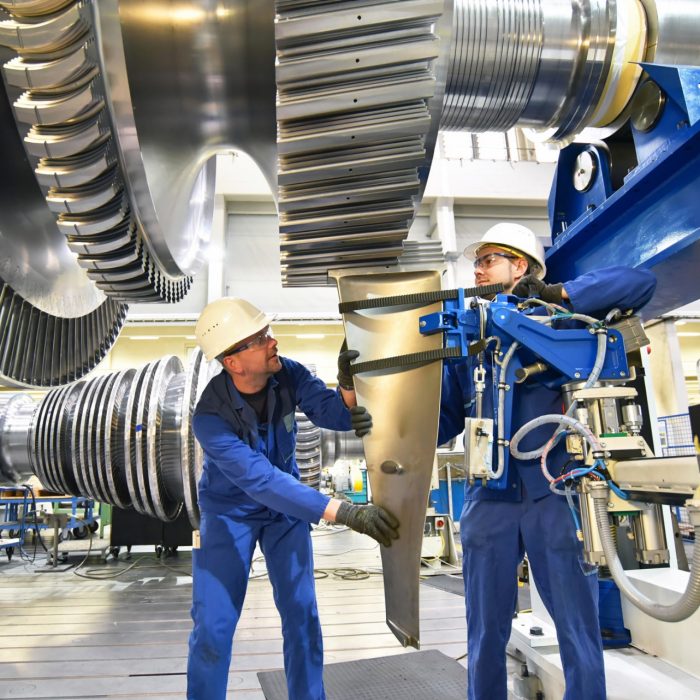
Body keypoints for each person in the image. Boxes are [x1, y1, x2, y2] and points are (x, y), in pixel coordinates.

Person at [438, 223, 657, 700]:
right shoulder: (469, 342)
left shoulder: (559, 324)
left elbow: (641, 282)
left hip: (551, 492)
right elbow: (441, 424)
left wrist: (558, 294)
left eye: (490, 259)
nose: (478, 270)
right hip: (487, 498)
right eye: (476, 262)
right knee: (484, 634)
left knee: (579, 629)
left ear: (521, 266)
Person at [187, 297, 399, 700]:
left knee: (302, 614)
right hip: (230, 515)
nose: (273, 341)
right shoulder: (209, 419)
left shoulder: (288, 374)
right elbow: (260, 480)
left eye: (267, 332)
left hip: (284, 514)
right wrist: (345, 512)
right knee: (213, 626)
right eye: (260, 337)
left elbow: (332, 415)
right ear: (233, 361)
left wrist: (349, 384)